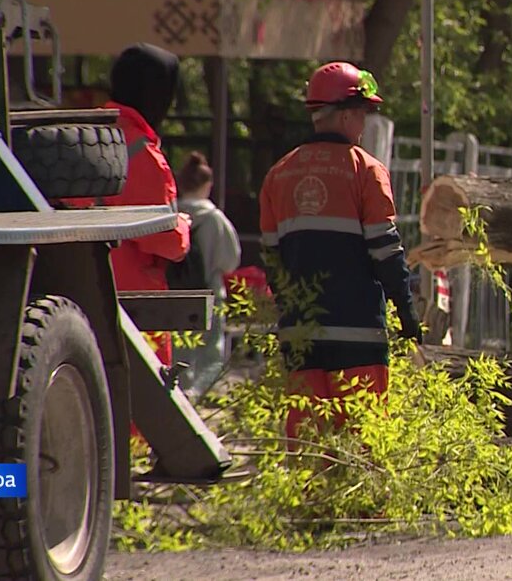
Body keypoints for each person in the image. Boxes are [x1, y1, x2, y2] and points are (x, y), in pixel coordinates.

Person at [258, 61, 422, 439]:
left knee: (308, 453)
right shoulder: (366, 171)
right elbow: (385, 250)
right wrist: (406, 309)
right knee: (361, 452)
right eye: (363, 114)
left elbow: (272, 261)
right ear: (347, 114)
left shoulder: (278, 174)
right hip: (358, 337)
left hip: (301, 339)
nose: (364, 125)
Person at [72, 43, 191, 367]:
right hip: (132, 306)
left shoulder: (80, 133)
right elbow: (169, 243)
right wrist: (181, 223)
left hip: (73, 295)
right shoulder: (144, 155)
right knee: (139, 409)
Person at [173, 152, 242, 398]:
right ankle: (197, 393)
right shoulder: (214, 219)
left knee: (179, 350)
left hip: (175, 295)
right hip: (210, 293)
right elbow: (230, 261)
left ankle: (178, 392)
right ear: (207, 185)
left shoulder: (171, 217)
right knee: (212, 353)